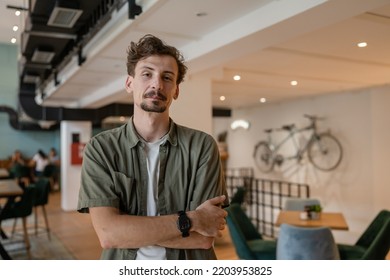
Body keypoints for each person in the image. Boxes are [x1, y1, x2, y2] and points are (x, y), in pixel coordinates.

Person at [77, 34, 229, 260]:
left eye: (167, 77)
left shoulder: (202, 146)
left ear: (176, 91)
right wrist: (192, 220)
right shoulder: (101, 148)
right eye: (147, 74)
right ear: (130, 83)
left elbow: (204, 238)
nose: (157, 84)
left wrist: (129, 231)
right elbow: (109, 235)